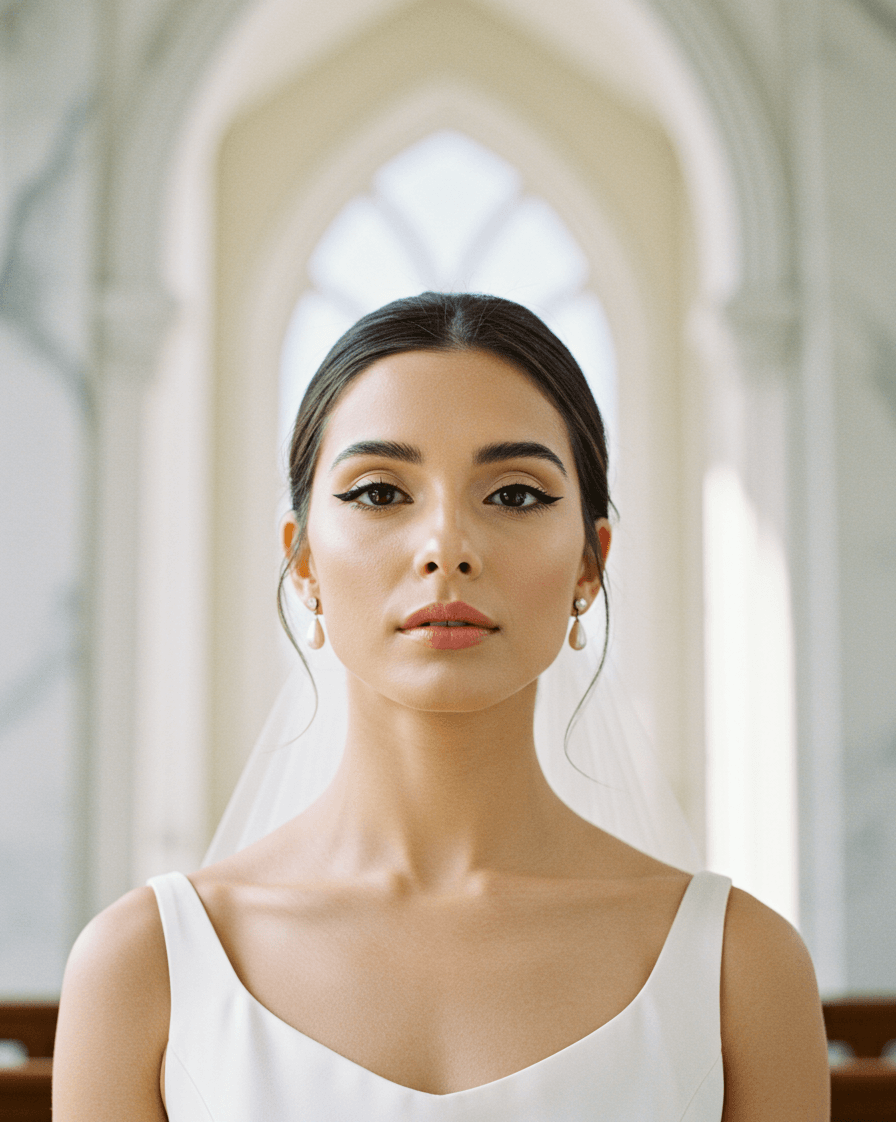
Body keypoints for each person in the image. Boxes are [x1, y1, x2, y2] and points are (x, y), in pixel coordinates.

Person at [53, 292, 830, 1120]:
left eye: (516, 495)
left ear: (588, 567)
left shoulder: (739, 969)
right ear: (304, 561)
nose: (447, 549)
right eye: (381, 492)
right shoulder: (146, 966)